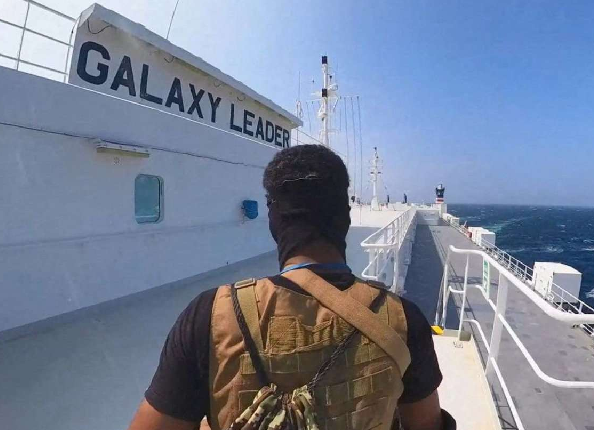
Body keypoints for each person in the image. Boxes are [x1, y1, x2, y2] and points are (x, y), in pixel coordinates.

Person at [127, 144, 451, 430]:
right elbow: (426, 423)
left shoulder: (210, 315)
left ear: (275, 220)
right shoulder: (403, 319)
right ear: (345, 217)